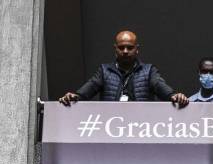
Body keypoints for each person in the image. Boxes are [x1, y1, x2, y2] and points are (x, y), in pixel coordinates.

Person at [59, 30, 188, 107]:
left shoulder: (148, 71)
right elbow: (89, 89)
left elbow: (160, 86)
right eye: (121, 47)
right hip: (111, 126)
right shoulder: (104, 71)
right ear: (115, 49)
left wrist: (174, 96)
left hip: (141, 126)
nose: (125, 51)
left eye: (130, 47)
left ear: (137, 49)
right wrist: (75, 96)